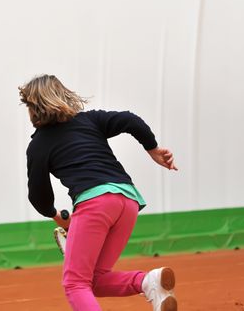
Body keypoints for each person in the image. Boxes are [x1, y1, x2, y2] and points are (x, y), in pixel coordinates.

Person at [19, 74, 178, 311]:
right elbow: (129, 120)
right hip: (128, 201)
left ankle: (147, 282)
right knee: (95, 280)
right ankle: (147, 281)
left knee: (74, 284)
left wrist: (56, 215)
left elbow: (39, 196)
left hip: (95, 203)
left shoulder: (38, 145)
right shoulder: (88, 121)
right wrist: (152, 148)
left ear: (34, 108)